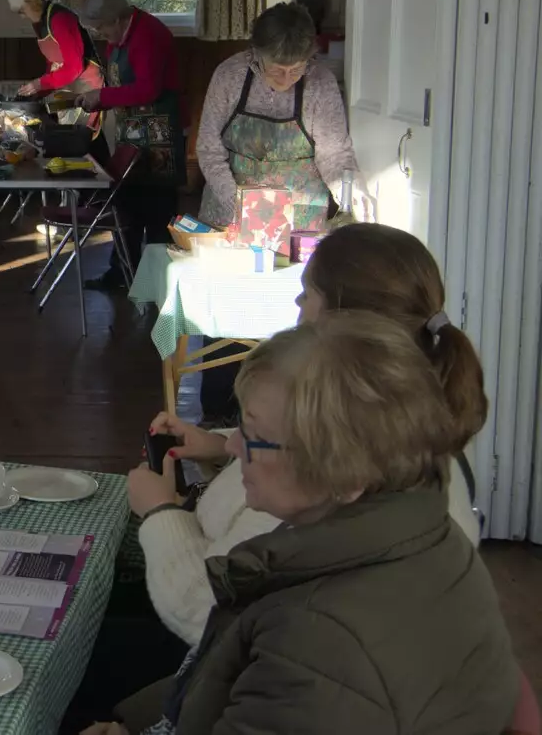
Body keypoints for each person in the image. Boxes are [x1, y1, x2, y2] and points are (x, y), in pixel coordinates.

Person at [97, 224, 488, 706]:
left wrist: (161, 514)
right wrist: (226, 448)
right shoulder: (411, 423)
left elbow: (207, 611)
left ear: (342, 317)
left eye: (306, 296)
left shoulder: (332, 483)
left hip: (227, 659)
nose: (298, 310)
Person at [195, 2, 361, 230]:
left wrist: (349, 197)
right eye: (276, 70)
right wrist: (237, 204)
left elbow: (334, 155)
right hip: (231, 213)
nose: (285, 79)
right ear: (256, 54)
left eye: (295, 70)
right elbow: (209, 149)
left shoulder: (321, 83)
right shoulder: (229, 76)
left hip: (299, 218)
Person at [76, 0, 184, 292]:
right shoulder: (120, 37)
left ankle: (160, 282)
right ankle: (123, 272)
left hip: (159, 134)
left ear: (119, 18)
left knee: (157, 212)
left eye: (102, 27)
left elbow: (148, 90)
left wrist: (103, 96)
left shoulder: (149, 35)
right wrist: (100, 98)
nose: (100, 34)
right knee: (128, 206)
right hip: (133, 132)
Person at [6, 0, 103, 107]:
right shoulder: (39, 23)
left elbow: (74, 67)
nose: (22, 16)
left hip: (87, 90)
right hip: (67, 89)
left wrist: (40, 84)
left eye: (23, 10)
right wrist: (37, 91)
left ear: (34, 0)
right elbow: (53, 65)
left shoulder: (60, 19)